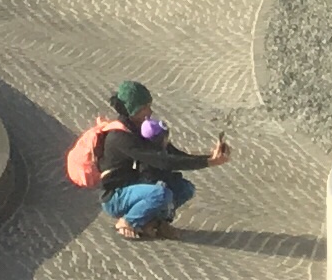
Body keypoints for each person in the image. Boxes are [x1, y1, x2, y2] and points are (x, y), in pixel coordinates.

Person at [86, 80, 230, 238]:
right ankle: (128, 221)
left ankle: (155, 223)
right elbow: (163, 161)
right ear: (133, 110)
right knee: (161, 194)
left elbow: (171, 154)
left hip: (136, 186)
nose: (150, 111)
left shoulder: (139, 128)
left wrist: (210, 157)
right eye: (144, 107)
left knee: (184, 188)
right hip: (116, 196)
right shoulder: (120, 137)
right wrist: (208, 163)